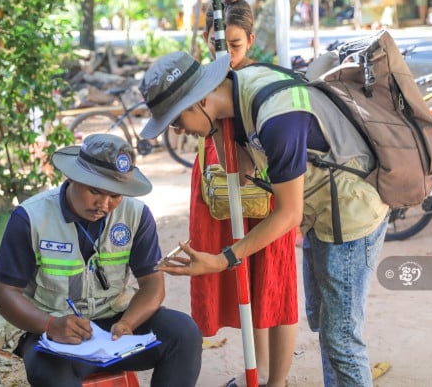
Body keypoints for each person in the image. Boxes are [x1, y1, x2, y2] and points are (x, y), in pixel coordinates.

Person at [138, 52, 389, 386]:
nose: (180, 132)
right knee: (327, 328)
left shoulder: (277, 118)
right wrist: (214, 132)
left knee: (341, 337)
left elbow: (288, 214)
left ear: (198, 101)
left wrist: (223, 259)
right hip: (324, 216)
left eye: (176, 122)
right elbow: (240, 171)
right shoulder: (238, 93)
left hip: (351, 216)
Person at [0, 134, 202, 387]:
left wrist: (128, 323)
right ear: (72, 177)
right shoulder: (31, 218)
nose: (104, 204)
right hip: (57, 333)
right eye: (95, 191)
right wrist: (50, 325)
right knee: (50, 374)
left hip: (117, 328)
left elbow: (152, 284)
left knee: (185, 334)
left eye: (115, 195)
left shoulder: (136, 215)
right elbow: (4, 294)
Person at [189, 0, 298, 387]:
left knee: (275, 286)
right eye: (221, 44)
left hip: (266, 193)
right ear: (207, 41)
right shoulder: (203, 80)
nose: (229, 53)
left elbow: (256, 161)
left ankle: (277, 381)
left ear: (250, 40)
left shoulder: (260, 81)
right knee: (246, 284)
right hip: (220, 190)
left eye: (236, 44)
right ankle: (260, 371)